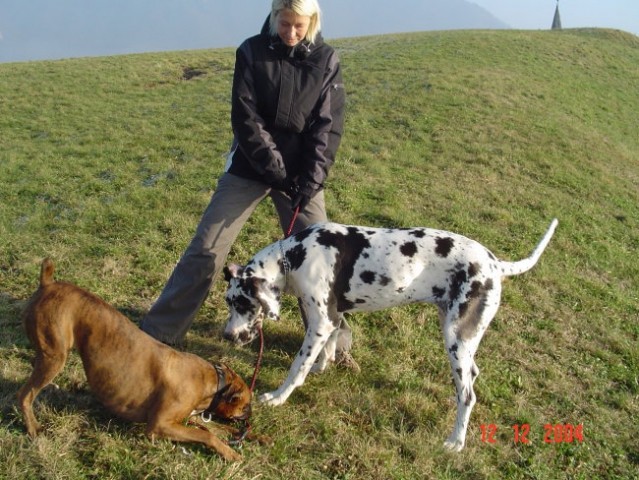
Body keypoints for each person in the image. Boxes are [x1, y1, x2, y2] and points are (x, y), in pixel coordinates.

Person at [140, 0, 359, 370]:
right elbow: (245, 117)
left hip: (302, 179)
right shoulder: (251, 51)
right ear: (274, 18)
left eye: (299, 26)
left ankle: (333, 346)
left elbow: (327, 126)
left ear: (312, 22)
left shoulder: (325, 59)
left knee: (321, 260)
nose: (291, 33)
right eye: (285, 23)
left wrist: (311, 179)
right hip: (249, 167)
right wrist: (273, 167)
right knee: (206, 248)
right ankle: (159, 332)